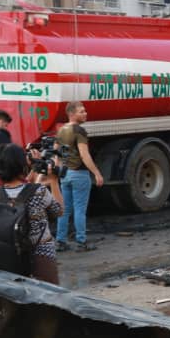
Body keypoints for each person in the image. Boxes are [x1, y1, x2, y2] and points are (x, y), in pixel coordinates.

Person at [0, 143, 64, 283]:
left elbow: (19, 189)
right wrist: (54, 181)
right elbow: (58, 211)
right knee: (48, 298)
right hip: (41, 253)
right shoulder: (39, 192)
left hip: (7, 256)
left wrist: (33, 170)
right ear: (21, 165)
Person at [55, 102, 104, 251]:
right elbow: (84, 154)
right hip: (79, 174)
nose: (85, 114)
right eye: (81, 112)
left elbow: (56, 153)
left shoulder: (61, 130)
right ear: (72, 114)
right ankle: (81, 242)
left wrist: (59, 170)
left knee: (65, 209)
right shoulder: (79, 130)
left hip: (65, 174)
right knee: (80, 210)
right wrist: (96, 173)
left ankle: (60, 241)